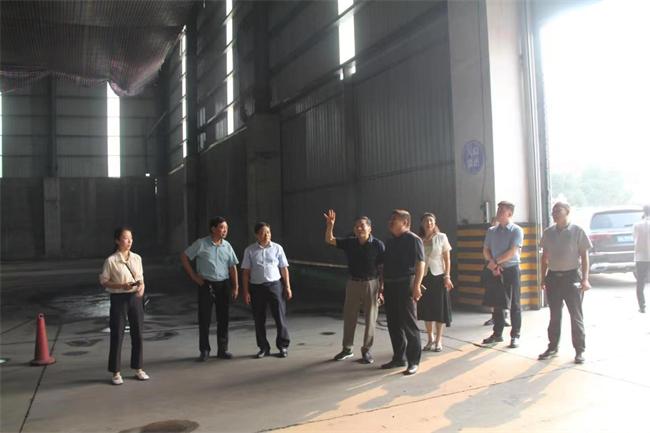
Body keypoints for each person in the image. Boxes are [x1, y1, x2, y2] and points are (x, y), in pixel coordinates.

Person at [324, 210, 385, 364]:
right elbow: (329, 240)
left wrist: (381, 289)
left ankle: (366, 350)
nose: (359, 228)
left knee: (371, 319)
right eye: (356, 226)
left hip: (372, 284)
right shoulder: (350, 243)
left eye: (362, 225)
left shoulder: (378, 245)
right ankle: (347, 349)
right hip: (353, 283)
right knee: (349, 317)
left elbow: (382, 268)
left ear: (370, 228)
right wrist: (330, 225)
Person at [538, 202, 592, 364]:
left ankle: (579, 350)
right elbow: (544, 257)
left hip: (571, 277)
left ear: (567, 212)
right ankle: (552, 347)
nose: (554, 214)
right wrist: (543, 278)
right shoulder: (548, 233)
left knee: (575, 315)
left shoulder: (577, 231)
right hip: (553, 277)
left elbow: (584, 257)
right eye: (553, 211)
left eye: (558, 211)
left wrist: (585, 278)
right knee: (554, 315)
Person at [181, 216, 239, 361]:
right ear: (213, 229)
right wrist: (194, 276)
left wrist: (235, 286)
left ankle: (222, 350)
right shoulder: (201, 243)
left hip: (223, 284)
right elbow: (184, 256)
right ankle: (204, 350)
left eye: (226, 228)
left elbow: (232, 267)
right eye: (222, 227)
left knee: (223, 318)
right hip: (206, 285)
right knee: (205, 318)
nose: (225, 230)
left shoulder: (227, 246)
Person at [99, 227, 149, 385]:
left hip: (135, 298)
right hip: (119, 298)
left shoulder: (137, 258)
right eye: (126, 238)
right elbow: (104, 281)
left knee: (138, 333)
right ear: (117, 241)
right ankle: (116, 372)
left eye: (131, 238)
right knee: (117, 333)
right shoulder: (111, 261)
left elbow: (141, 279)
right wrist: (121, 286)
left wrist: (141, 289)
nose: (129, 241)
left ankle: (138, 368)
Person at [381, 209, 425, 375]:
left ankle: (413, 361)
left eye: (394, 219)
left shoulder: (413, 239)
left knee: (409, 324)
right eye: (390, 219)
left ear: (405, 222)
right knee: (393, 323)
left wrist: (417, 286)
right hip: (390, 285)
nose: (390, 222)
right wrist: (382, 286)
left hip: (406, 284)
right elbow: (384, 265)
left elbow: (420, 263)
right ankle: (398, 358)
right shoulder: (390, 242)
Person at [241, 222, 292, 358]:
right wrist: (246, 292)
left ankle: (283, 346)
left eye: (268, 232)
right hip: (256, 287)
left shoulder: (277, 248)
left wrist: (287, 286)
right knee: (259, 319)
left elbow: (284, 268)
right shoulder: (250, 250)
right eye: (263, 233)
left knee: (280, 317)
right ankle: (263, 347)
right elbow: (245, 273)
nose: (266, 235)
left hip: (275, 285)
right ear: (257, 235)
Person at [481, 201, 524, 348]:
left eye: (502, 211)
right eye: (498, 210)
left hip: (511, 269)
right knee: (497, 303)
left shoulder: (517, 230)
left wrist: (495, 262)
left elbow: (512, 252)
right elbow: (486, 250)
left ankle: (515, 335)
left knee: (515, 304)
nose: (498, 213)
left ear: (509, 213)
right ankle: (497, 334)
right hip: (495, 270)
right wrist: (493, 264)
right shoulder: (491, 231)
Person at [417, 213, 453, 352]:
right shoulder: (419, 240)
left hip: (439, 276)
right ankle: (430, 338)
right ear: (422, 224)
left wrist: (447, 276)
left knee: (439, 309)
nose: (429, 223)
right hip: (424, 277)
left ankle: (438, 340)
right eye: (426, 221)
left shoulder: (441, 237)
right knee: (427, 309)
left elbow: (447, 259)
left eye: (431, 220)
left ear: (435, 222)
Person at [633, 205, 650, 313]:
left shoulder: (637, 225)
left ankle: (642, 306)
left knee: (640, 282)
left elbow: (634, 239)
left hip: (641, 257)